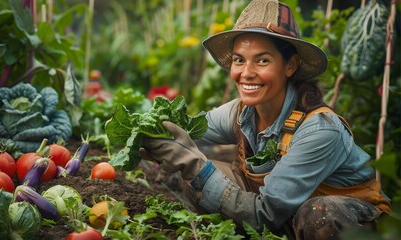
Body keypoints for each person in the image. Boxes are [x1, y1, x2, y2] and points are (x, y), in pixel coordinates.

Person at [141, 0, 391, 239]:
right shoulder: (241, 112)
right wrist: (147, 133)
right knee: (203, 179)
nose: (246, 73)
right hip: (287, 219)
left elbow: (266, 213)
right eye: (239, 60)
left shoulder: (320, 129)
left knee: (319, 215)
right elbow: (188, 128)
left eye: (262, 60)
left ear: (290, 65)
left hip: (345, 225)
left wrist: (192, 163)